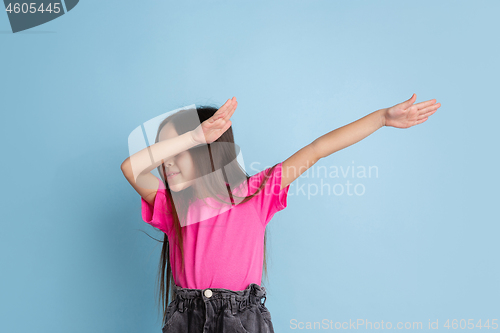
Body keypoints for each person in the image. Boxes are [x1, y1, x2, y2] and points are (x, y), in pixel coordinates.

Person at [121, 94, 440, 332]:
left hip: (242, 321)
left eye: (178, 152)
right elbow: (131, 168)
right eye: (164, 153)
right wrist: (190, 137)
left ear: (211, 150)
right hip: (187, 319)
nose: (167, 162)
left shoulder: (253, 195)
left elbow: (316, 149)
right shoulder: (174, 209)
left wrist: (382, 117)